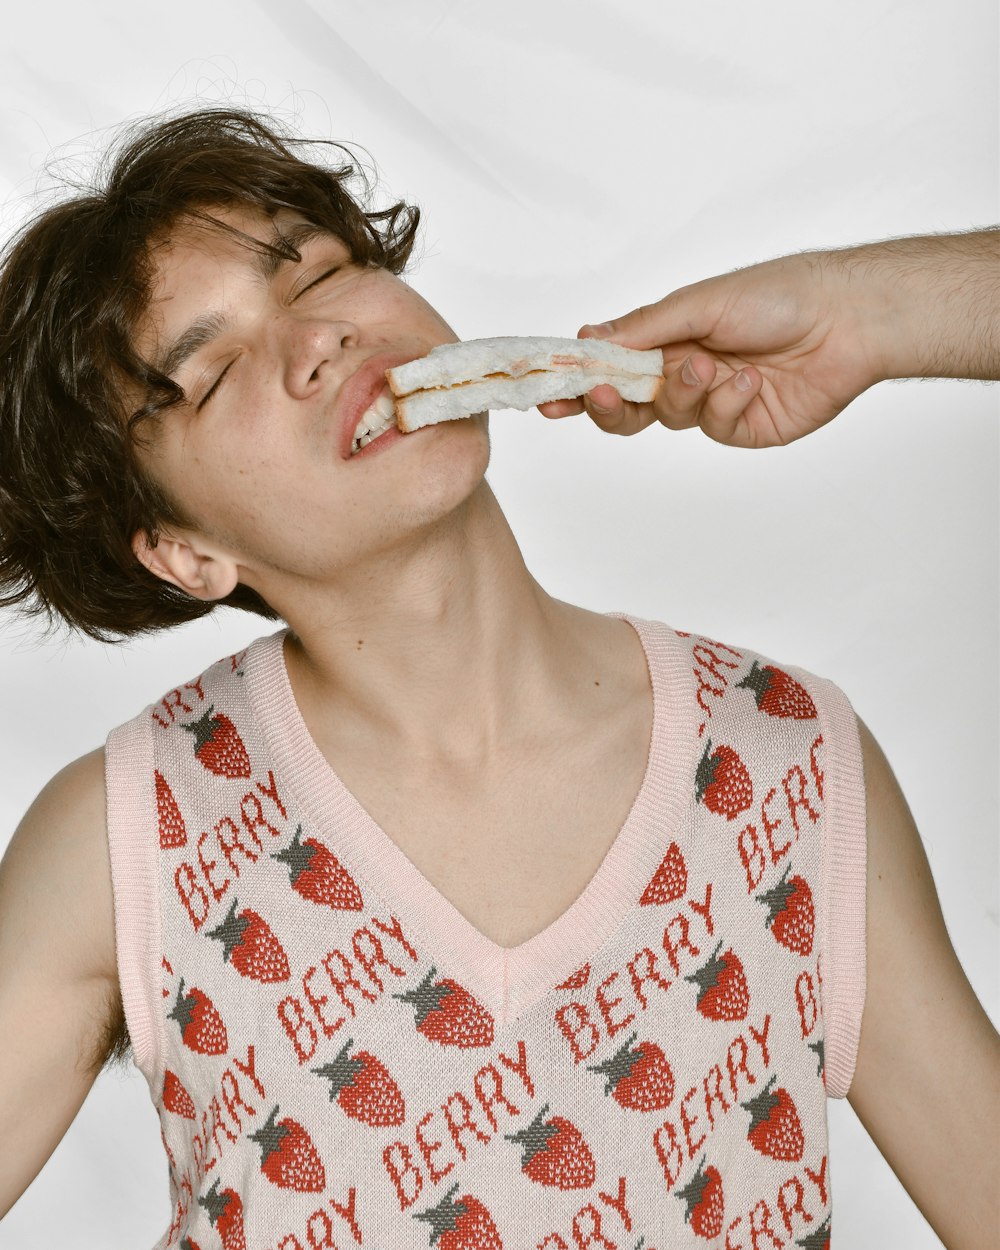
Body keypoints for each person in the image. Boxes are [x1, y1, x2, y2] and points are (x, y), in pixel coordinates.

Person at [0, 107, 995, 1250]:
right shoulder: (126, 833)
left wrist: (885, 310)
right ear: (186, 554)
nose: (316, 337)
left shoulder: (788, 756)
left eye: (320, 270)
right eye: (214, 369)